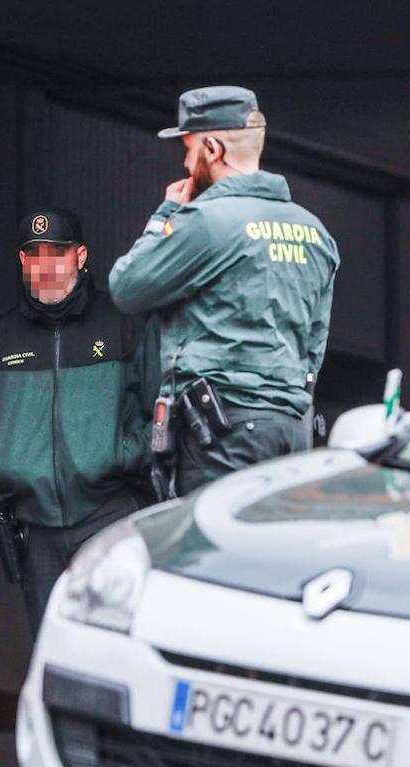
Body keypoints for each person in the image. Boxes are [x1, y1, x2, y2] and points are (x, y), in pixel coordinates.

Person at [109, 86, 339, 497]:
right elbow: (314, 343)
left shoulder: (206, 221)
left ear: (212, 147)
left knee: (213, 552)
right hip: (290, 428)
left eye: (188, 147)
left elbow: (128, 287)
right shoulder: (314, 231)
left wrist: (164, 217)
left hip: (223, 429)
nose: (184, 161)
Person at [0, 210, 159, 637]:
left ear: (80, 256)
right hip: (36, 530)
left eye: (58, 252)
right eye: (34, 255)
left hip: (110, 516)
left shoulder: (124, 321)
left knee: (116, 644)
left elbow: (159, 413)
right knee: (56, 652)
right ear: (22, 261)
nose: (46, 266)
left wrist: (119, 455)